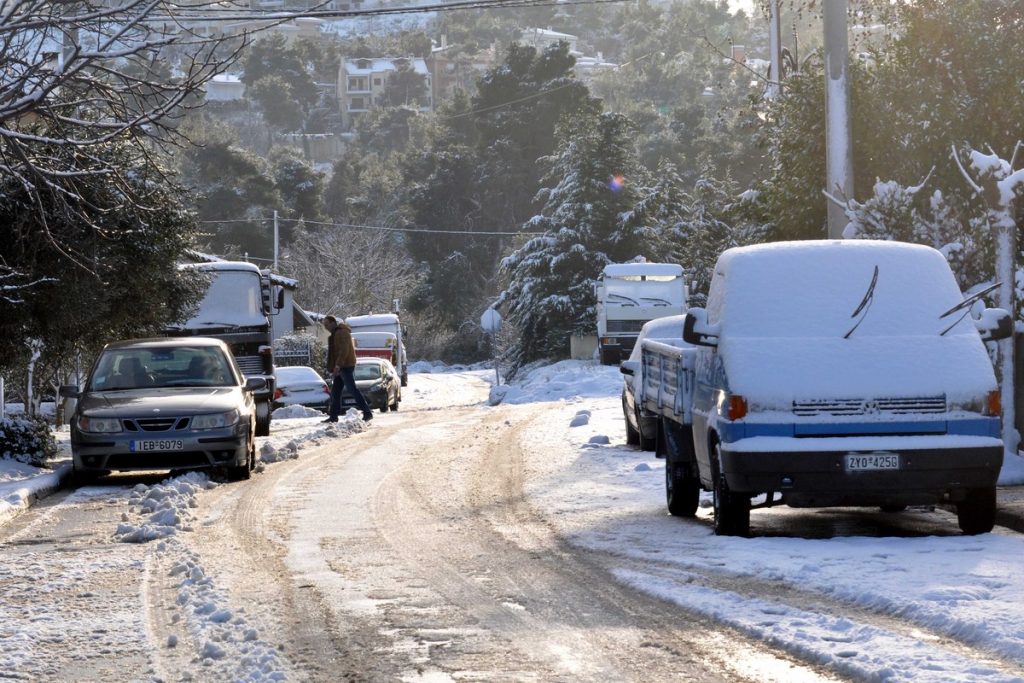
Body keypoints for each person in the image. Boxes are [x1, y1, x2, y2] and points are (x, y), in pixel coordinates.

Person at [323, 315, 374, 423]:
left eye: (327, 324)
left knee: (352, 389)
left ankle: (367, 412)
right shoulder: (335, 334)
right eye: (324, 325)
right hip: (340, 366)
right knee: (336, 392)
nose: (325, 327)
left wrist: (338, 365)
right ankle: (333, 416)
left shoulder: (342, 332)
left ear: (333, 323)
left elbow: (344, 350)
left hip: (345, 366)